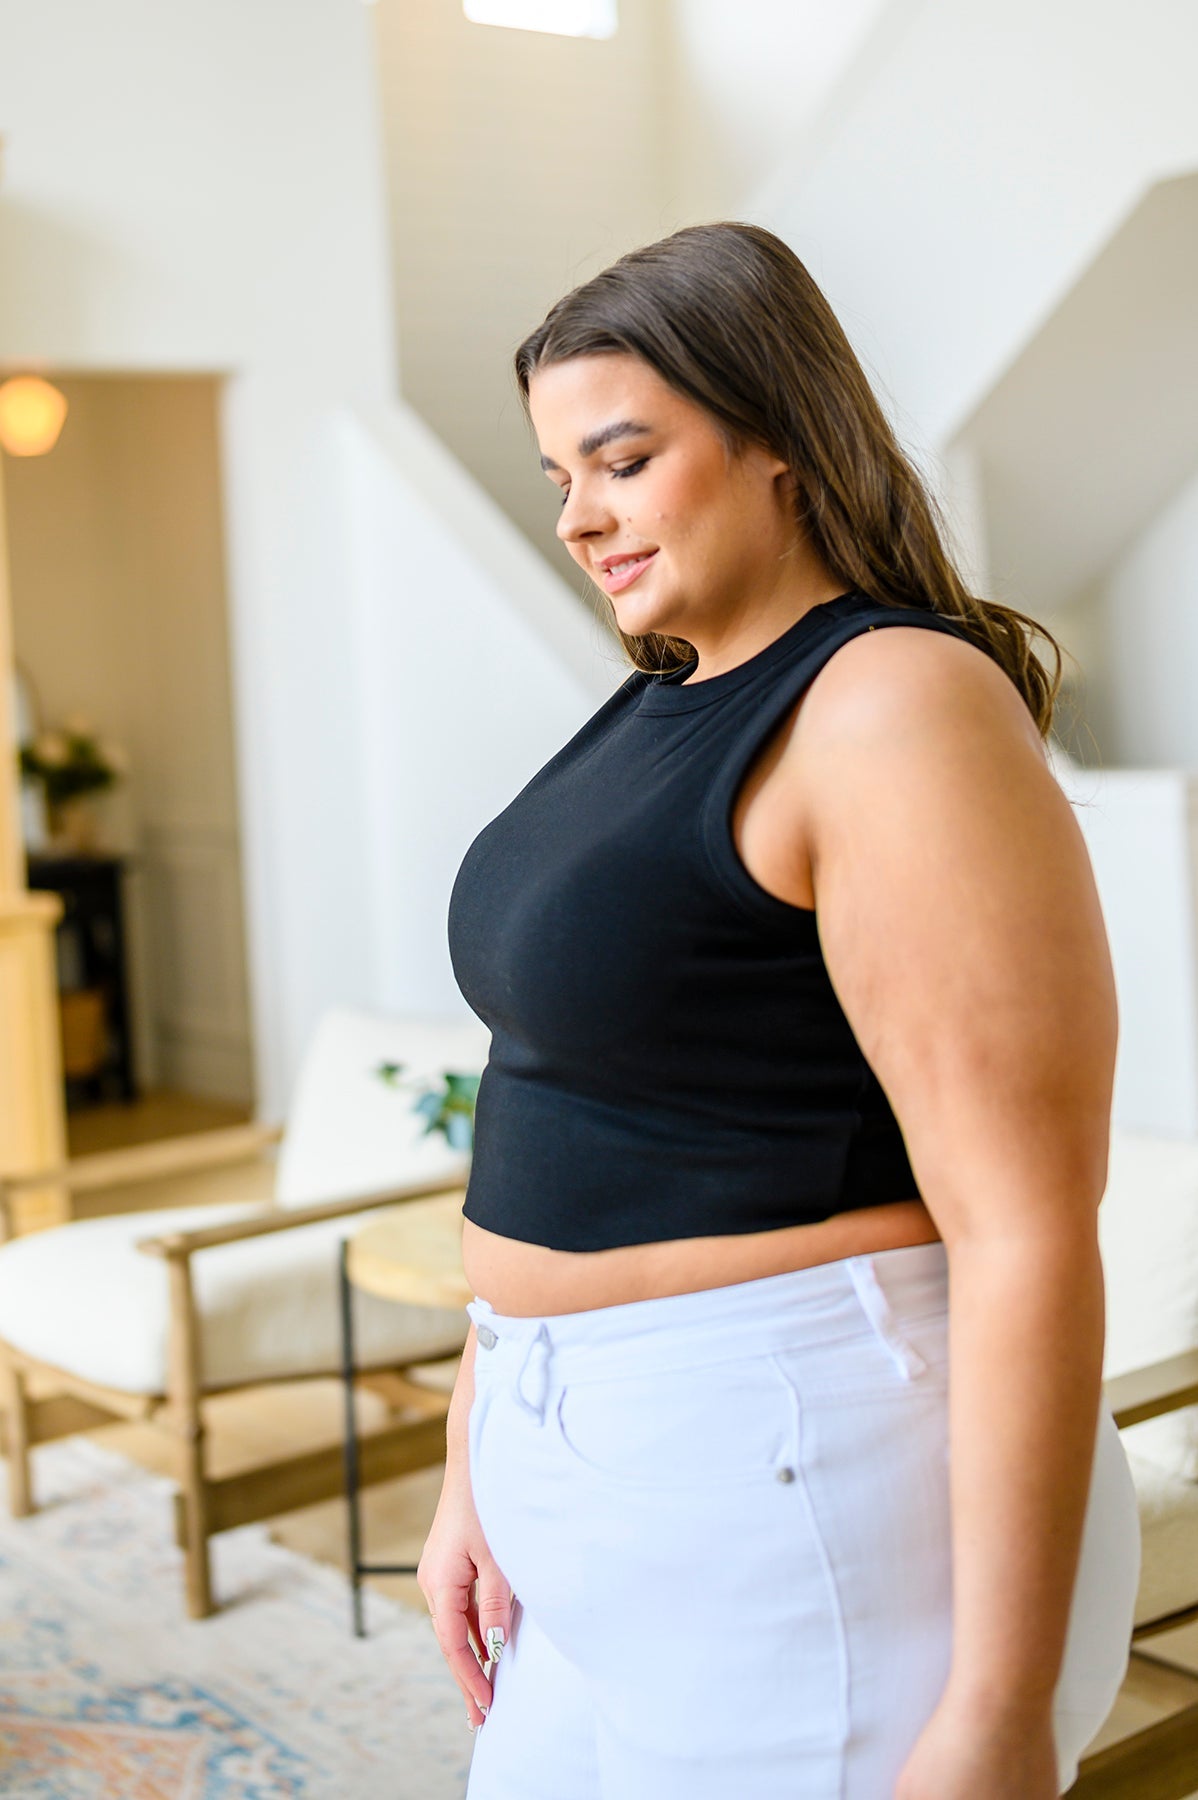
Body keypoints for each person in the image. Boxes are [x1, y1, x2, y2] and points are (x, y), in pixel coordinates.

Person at [418, 221, 1141, 1799]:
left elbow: (1025, 1224)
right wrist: (482, 1454)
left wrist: (999, 1710)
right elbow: (559, 1077)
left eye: (620, 459)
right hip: (597, 1459)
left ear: (778, 446)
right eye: (558, 477)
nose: (580, 515)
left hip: (800, 1468)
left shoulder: (887, 703)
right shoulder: (665, 692)